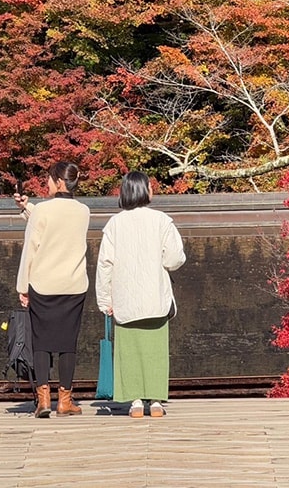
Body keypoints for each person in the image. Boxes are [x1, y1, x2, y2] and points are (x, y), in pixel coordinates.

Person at [95, 171, 186, 418]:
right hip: (155, 296)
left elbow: (105, 264)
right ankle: (156, 402)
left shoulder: (114, 224)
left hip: (125, 299)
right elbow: (176, 258)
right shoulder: (162, 220)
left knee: (129, 351)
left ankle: (135, 402)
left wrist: (105, 300)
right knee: (155, 350)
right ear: (144, 190)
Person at [14, 161, 91, 418]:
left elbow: (32, 247)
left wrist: (22, 286)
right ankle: (65, 401)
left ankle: (43, 399)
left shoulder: (42, 212)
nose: (46, 184)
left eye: (48, 179)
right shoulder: (84, 211)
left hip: (43, 284)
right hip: (73, 285)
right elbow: (58, 222)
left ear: (59, 182)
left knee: (41, 343)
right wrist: (28, 208)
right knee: (68, 344)